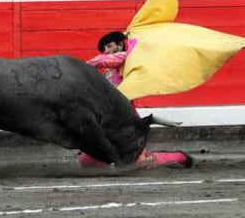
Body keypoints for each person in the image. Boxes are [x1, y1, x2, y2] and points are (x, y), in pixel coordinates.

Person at [79, 31, 194, 169]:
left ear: (121, 44)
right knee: (87, 162)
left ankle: (179, 157)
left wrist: (82, 66)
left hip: (127, 122)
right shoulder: (109, 72)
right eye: (104, 49)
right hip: (108, 120)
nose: (106, 51)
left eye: (109, 46)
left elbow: (108, 60)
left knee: (137, 163)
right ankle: (136, 156)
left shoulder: (129, 59)